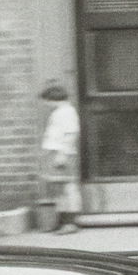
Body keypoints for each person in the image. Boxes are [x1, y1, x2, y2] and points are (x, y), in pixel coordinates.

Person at [39, 83, 82, 235]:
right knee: (59, 189)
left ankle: (70, 222)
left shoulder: (67, 112)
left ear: (53, 99)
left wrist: (63, 154)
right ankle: (62, 220)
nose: (46, 104)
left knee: (68, 187)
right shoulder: (59, 112)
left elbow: (71, 134)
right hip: (54, 153)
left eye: (47, 101)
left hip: (62, 153)